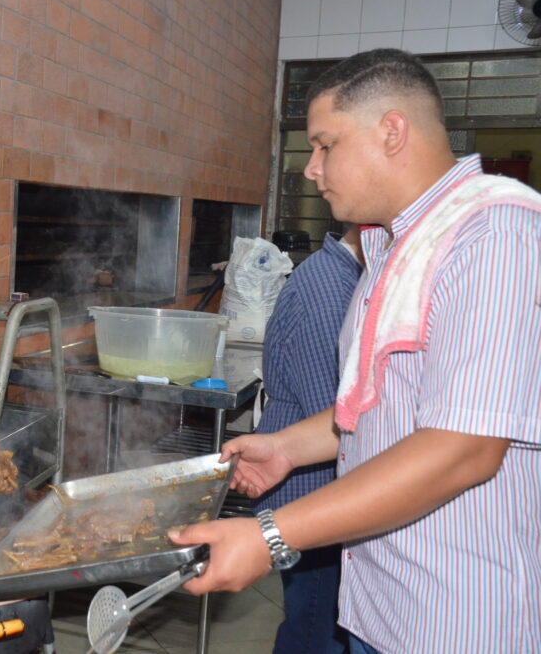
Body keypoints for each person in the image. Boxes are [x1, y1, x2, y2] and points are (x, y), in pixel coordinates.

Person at [171, 48, 541, 654]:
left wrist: (269, 534)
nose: (312, 169)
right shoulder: (393, 245)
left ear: (391, 130)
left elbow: (465, 448)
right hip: (379, 604)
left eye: (325, 144)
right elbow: (383, 406)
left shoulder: (495, 235)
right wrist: (289, 446)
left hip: (459, 616)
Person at [256, 224, 363, 654]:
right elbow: (337, 416)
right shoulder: (327, 292)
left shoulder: (348, 282)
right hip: (312, 489)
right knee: (316, 632)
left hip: (318, 487)